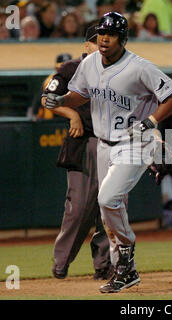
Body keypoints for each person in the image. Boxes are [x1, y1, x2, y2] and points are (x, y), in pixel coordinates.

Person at [44, 12, 172, 293]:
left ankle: (126, 258)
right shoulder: (90, 63)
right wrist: (62, 100)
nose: (105, 39)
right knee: (109, 211)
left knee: (108, 198)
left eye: (111, 34)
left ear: (123, 38)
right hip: (104, 143)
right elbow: (81, 94)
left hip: (133, 141)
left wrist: (153, 121)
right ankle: (125, 269)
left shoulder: (139, 67)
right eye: (101, 34)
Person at [41, 25, 113, 281]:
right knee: (79, 207)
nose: (102, 46)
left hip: (112, 144)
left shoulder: (118, 69)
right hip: (83, 143)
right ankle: (61, 262)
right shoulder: (71, 69)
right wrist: (71, 114)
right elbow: (47, 98)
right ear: (87, 45)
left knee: (109, 207)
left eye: (107, 40)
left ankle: (105, 264)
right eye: (96, 42)